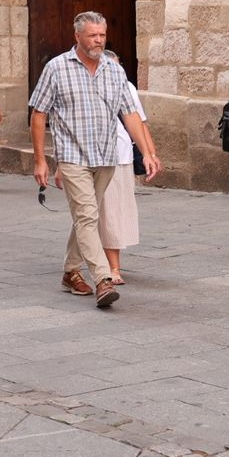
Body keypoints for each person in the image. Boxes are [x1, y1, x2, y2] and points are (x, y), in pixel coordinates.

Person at [29, 11, 163, 308]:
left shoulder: (114, 70)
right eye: (92, 35)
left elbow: (130, 114)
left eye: (102, 35)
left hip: (106, 156)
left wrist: (147, 152)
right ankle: (103, 279)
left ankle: (70, 271)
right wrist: (41, 160)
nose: (98, 40)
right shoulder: (56, 68)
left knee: (85, 216)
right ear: (77, 36)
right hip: (72, 156)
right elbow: (38, 114)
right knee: (89, 215)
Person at [97, 50, 157, 283]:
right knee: (90, 212)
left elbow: (138, 121)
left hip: (119, 154)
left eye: (118, 65)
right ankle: (90, 263)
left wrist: (150, 153)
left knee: (113, 211)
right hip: (88, 156)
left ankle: (113, 267)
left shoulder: (126, 86)